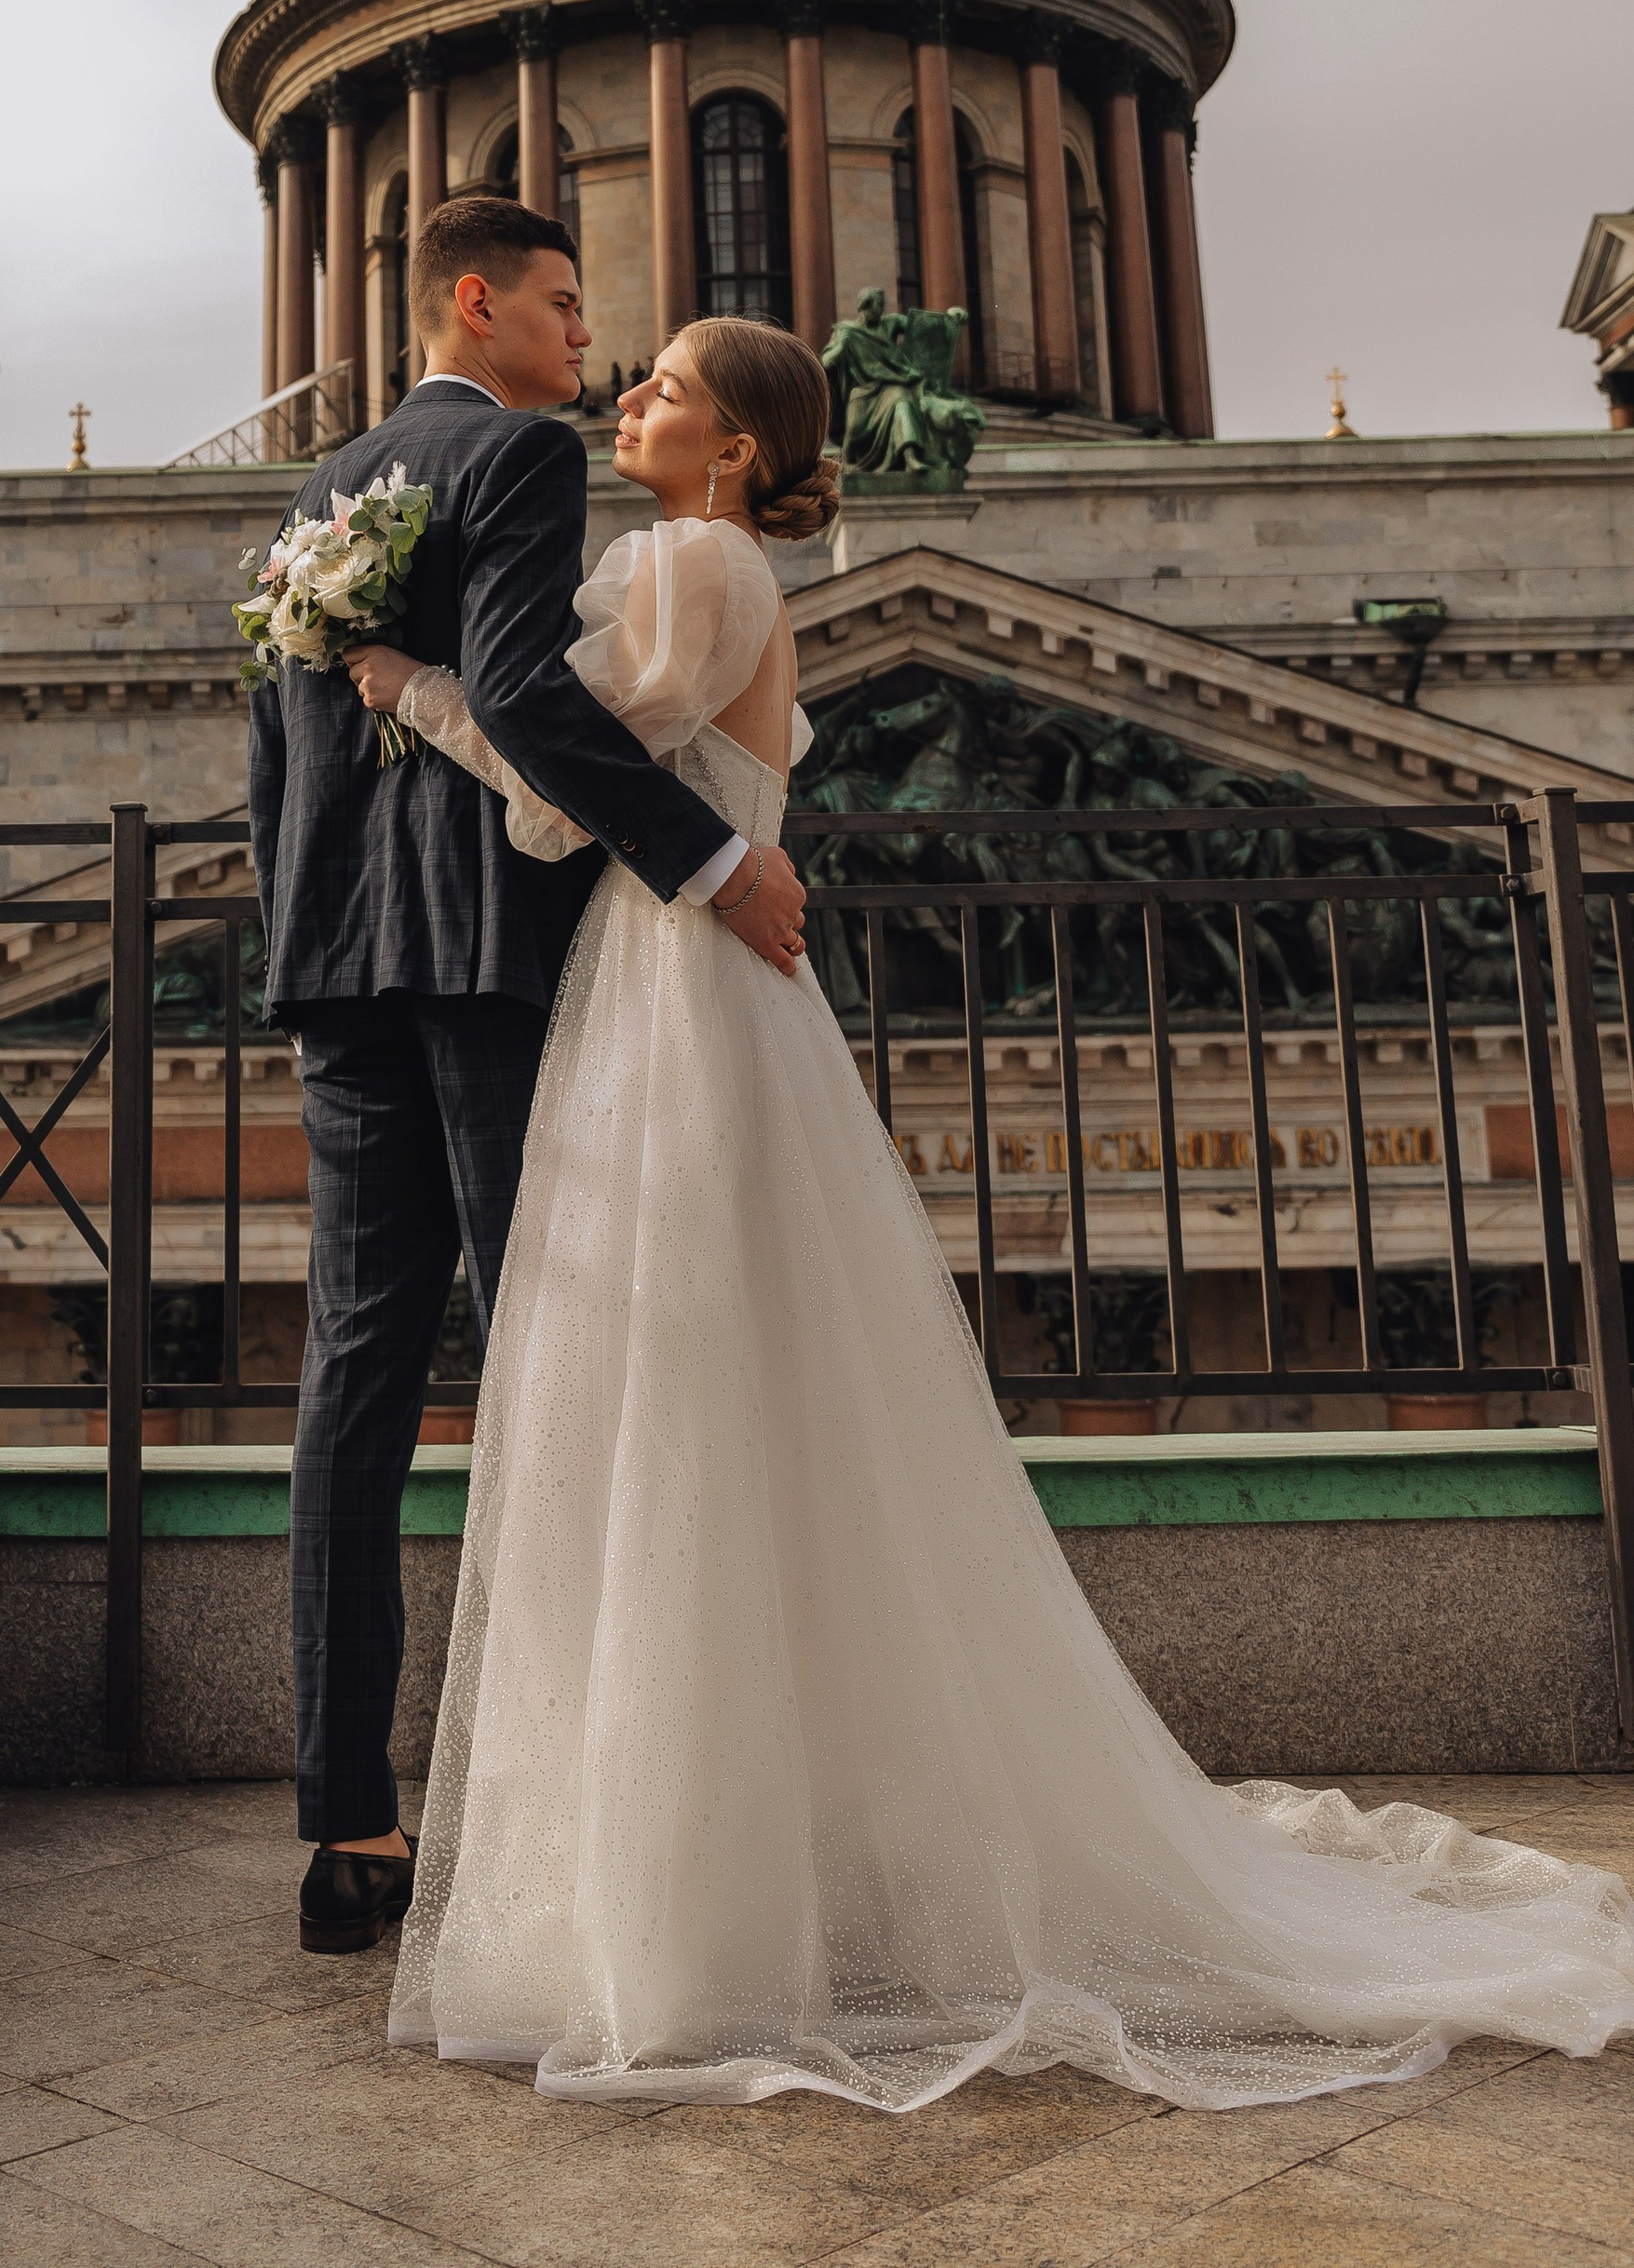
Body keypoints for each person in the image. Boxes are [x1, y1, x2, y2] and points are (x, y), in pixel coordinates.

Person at [343, 315, 1634, 2107]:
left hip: (682, 1005)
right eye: (631, 374)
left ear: (735, 444)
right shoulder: (687, 558)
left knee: (679, 1408)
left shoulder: (695, 559)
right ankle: (718, 1877)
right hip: (676, 989)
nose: (626, 391)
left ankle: (690, 1903)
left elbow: (567, 780)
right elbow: (591, 782)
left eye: (666, 388)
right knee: (699, 1409)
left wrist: (414, 689)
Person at [248, 196, 808, 1961]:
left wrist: (306, 943)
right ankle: (550, 1818)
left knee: (355, 1385)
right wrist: (714, 865)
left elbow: (281, 761)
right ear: (475, 306)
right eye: (568, 308)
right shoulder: (521, 463)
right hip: (497, 963)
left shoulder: (314, 498)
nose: (592, 343)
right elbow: (528, 702)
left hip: (344, 972)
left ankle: (350, 1827)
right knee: (557, 1373)